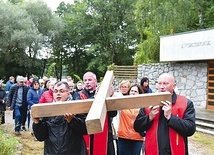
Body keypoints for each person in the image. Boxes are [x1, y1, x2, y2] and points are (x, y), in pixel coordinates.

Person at [134, 73, 196, 155]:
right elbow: (137, 127)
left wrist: (170, 117)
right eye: (159, 83)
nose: (162, 87)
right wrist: (149, 117)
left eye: (165, 83)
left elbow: (190, 129)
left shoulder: (185, 103)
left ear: (174, 86)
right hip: (153, 151)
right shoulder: (148, 102)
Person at [32, 81, 88, 155]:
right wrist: (37, 123)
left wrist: (72, 121)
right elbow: (41, 137)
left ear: (68, 93)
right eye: (55, 91)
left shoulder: (76, 108)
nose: (58, 93)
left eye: (61, 91)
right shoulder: (47, 110)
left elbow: (85, 130)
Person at [77, 71, 117, 155]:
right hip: (87, 132)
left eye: (90, 80)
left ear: (96, 81)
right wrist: (96, 97)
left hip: (104, 132)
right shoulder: (78, 96)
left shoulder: (104, 93)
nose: (87, 82)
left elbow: (113, 113)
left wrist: (109, 98)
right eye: (85, 80)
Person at [117, 84, 145, 155]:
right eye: (132, 91)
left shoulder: (143, 106)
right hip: (123, 136)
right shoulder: (123, 103)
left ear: (139, 94)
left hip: (137, 137)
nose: (133, 92)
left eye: (135, 91)